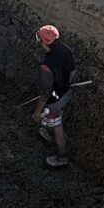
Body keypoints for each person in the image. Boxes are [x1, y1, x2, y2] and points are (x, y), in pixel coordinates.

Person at [33, 24, 75, 168]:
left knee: (56, 125)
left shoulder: (47, 66)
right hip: (65, 92)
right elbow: (72, 72)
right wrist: (65, 85)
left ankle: (62, 156)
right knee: (50, 118)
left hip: (54, 101)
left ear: (44, 42)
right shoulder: (66, 50)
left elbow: (44, 95)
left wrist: (37, 112)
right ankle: (48, 130)